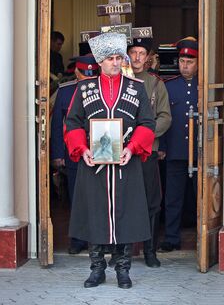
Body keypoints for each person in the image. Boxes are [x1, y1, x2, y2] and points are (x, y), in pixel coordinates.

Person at [64, 32, 156, 289]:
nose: (116, 63)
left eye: (119, 57)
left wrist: (133, 147)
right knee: (95, 215)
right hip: (93, 164)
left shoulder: (136, 88)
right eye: (110, 58)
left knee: (125, 215)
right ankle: (97, 269)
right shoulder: (84, 89)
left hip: (127, 163)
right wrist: (81, 149)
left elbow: (147, 123)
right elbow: (72, 123)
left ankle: (123, 270)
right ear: (100, 61)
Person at [124, 37, 172, 267]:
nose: (137, 57)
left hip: (145, 152)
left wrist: (145, 138)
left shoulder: (154, 84)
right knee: (122, 201)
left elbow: (165, 116)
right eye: (133, 52)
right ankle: (121, 252)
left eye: (141, 53)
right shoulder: (119, 80)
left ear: (148, 57)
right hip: (120, 152)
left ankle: (150, 251)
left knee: (151, 203)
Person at [50, 54, 99, 255]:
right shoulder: (66, 91)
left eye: (92, 75)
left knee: (97, 198)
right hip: (74, 153)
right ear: (76, 72)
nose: (88, 79)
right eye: (84, 75)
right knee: (76, 198)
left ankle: (97, 239)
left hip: (99, 151)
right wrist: (58, 154)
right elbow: (56, 126)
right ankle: (78, 240)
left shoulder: (102, 88)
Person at [159, 37, 199, 252]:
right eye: (182, 61)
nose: (185, 65)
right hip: (175, 151)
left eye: (190, 62)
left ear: (199, 62)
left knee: (201, 197)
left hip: (201, 152)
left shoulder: (205, 86)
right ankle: (172, 237)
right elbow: (164, 118)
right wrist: (163, 147)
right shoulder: (169, 86)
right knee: (173, 198)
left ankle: (204, 237)